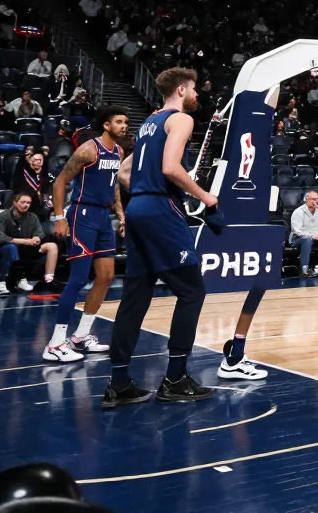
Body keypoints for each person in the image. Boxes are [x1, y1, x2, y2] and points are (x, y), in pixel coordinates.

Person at [102, 67, 219, 409]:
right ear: (182, 90)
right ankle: (176, 378)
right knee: (192, 290)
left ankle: (120, 383)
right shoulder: (180, 120)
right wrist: (206, 197)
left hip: (138, 206)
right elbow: (170, 168)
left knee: (135, 297)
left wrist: (142, 193)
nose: (198, 96)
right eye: (195, 90)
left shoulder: (148, 123)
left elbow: (124, 172)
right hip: (159, 209)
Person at [45, 107, 129, 362]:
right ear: (106, 125)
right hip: (82, 215)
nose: (124, 126)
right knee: (79, 277)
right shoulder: (88, 150)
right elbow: (59, 182)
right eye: (119, 121)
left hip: (104, 217)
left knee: (106, 276)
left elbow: (113, 185)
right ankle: (55, 343)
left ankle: (80, 336)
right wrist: (59, 217)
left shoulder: (119, 151)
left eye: (125, 121)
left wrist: (121, 214)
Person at [0, 192, 58, 295]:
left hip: (25, 247)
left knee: (51, 246)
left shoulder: (32, 217)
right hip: (1, 248)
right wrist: (22, 241)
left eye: (28, 203)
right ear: (15, 203)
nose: (26, 205)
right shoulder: (3, 216)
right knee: (12, 248)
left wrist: (36, 238)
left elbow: (39, 232)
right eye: (23, 202)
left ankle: (48, 280)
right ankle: (1, 282)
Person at [290, 190, 318, 277]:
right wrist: (314, 236)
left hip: (315, 238)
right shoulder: (298, 212)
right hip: (298, 239)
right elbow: (297, 231)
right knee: (307, 240)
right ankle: (304, 269)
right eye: (312, 199)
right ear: (306, 199)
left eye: (316, 199)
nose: (314, 201)